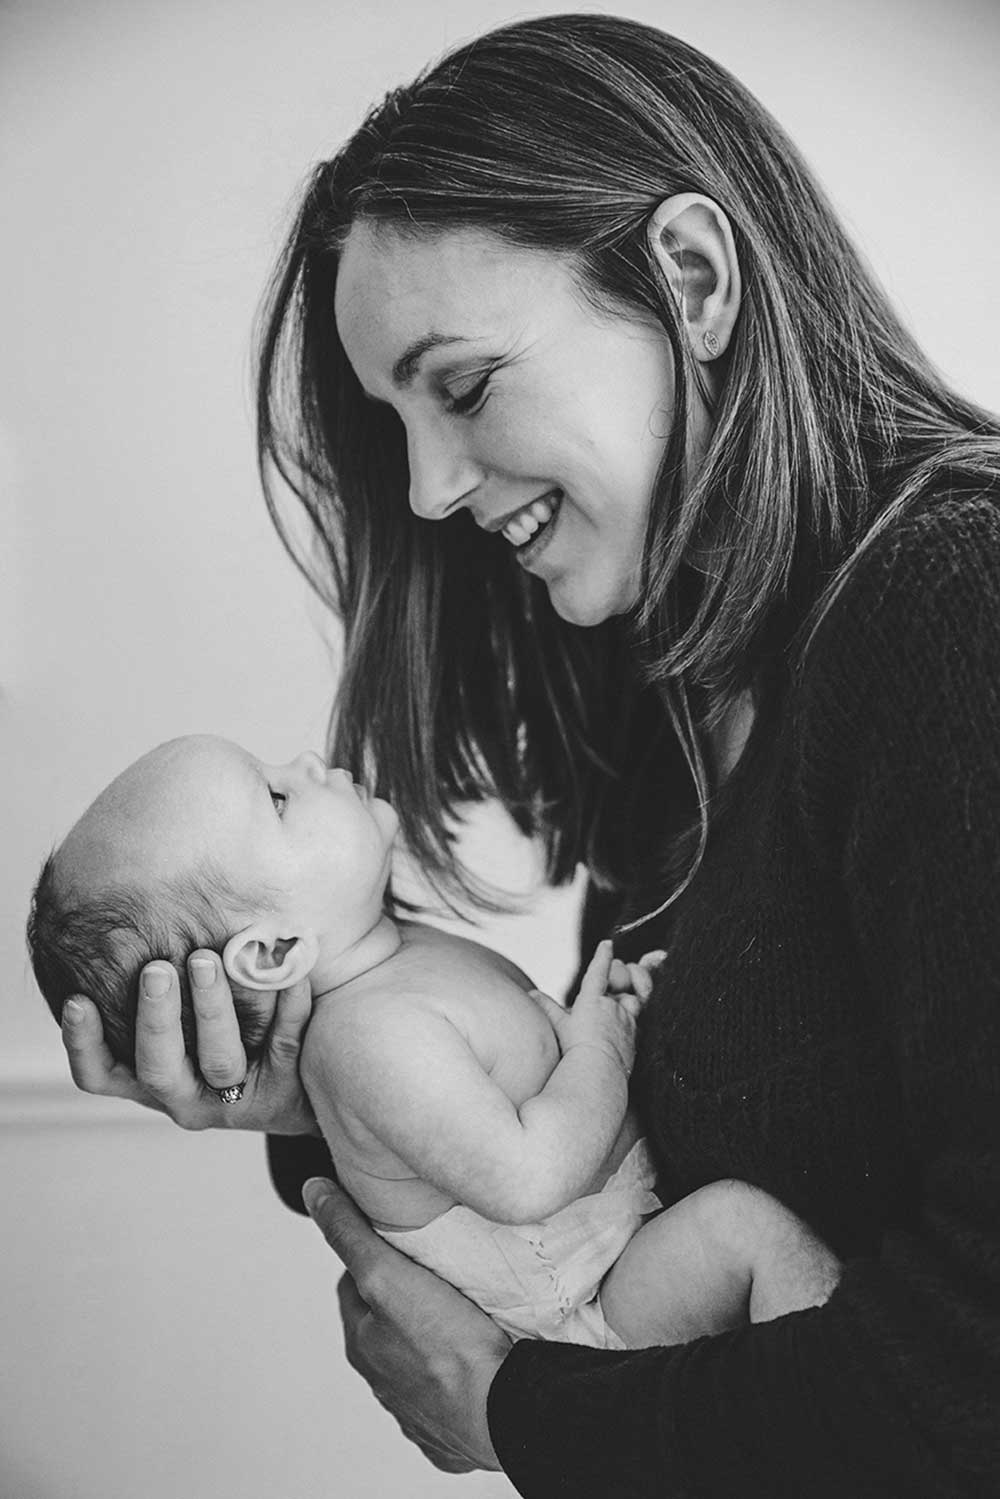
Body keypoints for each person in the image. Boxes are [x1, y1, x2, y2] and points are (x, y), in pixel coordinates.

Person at [58, 13, 1000, 1496]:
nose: (427, 489)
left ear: (689, 279)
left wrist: (520, 1414)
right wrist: (309, 1085)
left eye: (467, 383)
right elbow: (604, 1152)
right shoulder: (664, 682)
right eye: (395, 421)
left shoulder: (961, 610)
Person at [31, 732, 837, 1350]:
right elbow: (529, 1176)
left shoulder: (398, 962)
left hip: (613, 1245)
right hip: (589, 1305)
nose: (310, 762)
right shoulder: (367, 1039)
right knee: (752, 1231)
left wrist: (607, 1019)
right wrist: (603, 1047)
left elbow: (515, 1065)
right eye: (277, 796)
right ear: (272, 952)